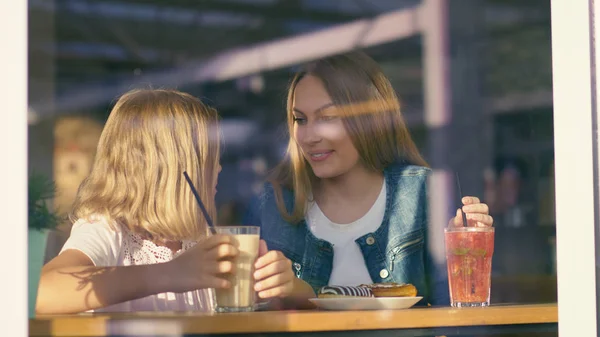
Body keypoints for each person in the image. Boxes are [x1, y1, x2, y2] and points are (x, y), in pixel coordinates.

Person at [243, 51, 494, 306]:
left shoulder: (423, 193)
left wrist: (467, 254)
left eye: (328, 118)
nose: (309, 137)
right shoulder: (271, 204)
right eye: (300, 119)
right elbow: (242, 317)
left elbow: (457, 316)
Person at [36, 89, 314, 314]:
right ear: (170, 169)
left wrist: (287, 285)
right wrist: (168, 274)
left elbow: (306, 299)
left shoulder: (202, 242)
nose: (218, 169)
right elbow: (41, 292)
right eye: (208, 159)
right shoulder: (109, 232)